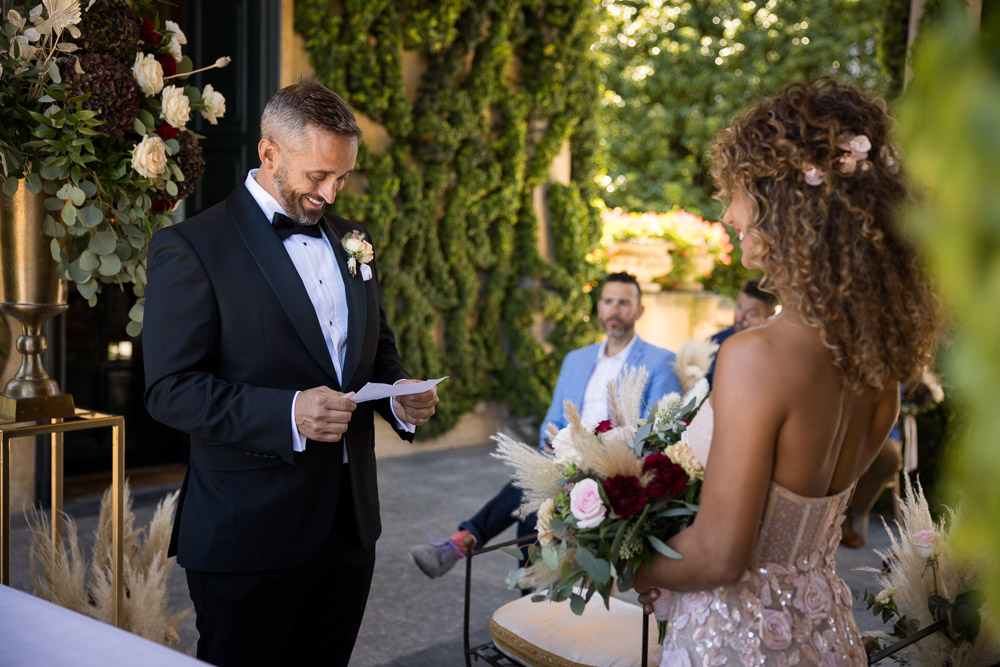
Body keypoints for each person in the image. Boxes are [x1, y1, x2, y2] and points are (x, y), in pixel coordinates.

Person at [633, 79, 941, 664]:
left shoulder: (758, 357)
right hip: (826, 636)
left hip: (735, 643)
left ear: (786, 204)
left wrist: (604, 554)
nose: (728, 213)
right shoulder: (880, 373)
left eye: (739, 192)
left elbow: (720, 558)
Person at [142, 78, 439, 667]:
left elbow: (376, 351)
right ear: (269, 153)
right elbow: (169, 391)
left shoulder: (354, 241)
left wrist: (398, 395)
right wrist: (288, 412)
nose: (331, 194)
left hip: (350, 531)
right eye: (317, 177)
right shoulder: (191, 248)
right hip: (247, 536)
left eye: (343, 177)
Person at [407, 272, 682, 578]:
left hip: (615, 465)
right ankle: (519, 585)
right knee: (536, 489)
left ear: (639, 310)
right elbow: (553, 418)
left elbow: (658, 431)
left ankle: (465, 545)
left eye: (623, 303)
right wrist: (552, 443)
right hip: (565, 459)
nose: (614, 310)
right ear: (599, 306)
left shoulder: (660, 361)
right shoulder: (577, 359)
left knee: (532, 489)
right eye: (608, 301)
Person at [705, 277, 778, 387]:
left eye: (751, 313)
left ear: (770, 315)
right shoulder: (713, 343)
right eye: (739, 307)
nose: (740, 317)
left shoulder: (776, 353)